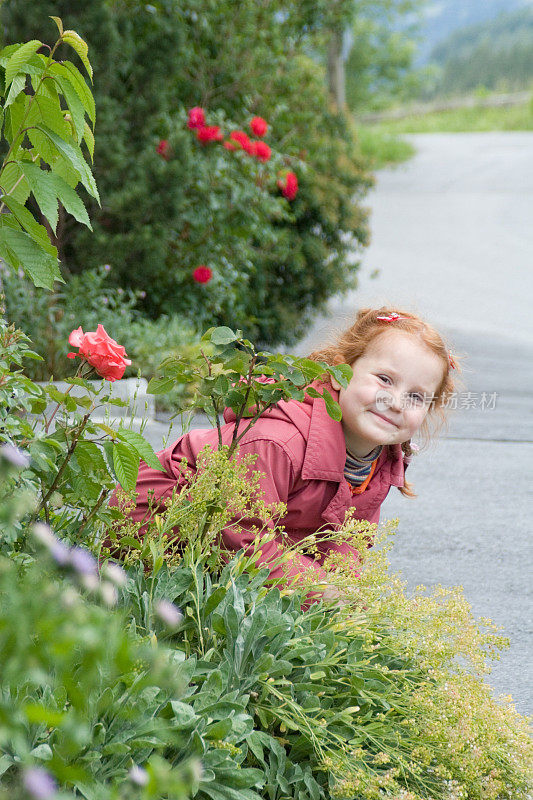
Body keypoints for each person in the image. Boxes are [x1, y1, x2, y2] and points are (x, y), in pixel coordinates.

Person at [116, 306, 459, 602]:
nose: (396, 402)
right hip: (149, 542)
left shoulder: (380, 462)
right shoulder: (279, 442)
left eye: (416, 397)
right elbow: (241, 537)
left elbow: (347, 541)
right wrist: (321, 589)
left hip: (224, 560)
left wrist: (345, 593)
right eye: (384, 379)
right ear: (341, 374)